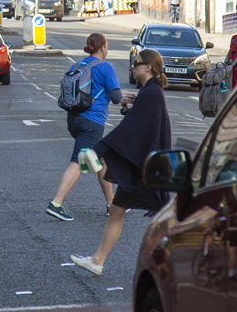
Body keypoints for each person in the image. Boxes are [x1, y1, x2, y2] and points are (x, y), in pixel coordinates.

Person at [69, 49, 171, 276]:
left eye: (137, 63)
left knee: (163, 219)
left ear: (149, 67)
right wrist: (127, 110)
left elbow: (130, 131)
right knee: (118, 210)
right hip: (145, 165)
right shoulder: (148, 91)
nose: (133, 67)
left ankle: (174, 264)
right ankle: (97, 260)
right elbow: (138, 127)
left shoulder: (152, 93)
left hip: (146, 167)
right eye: (134, 63)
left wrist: (98, 149)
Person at [46, 33, 119, 221]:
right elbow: (117, 98)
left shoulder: (76, 65)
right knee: (78, 161)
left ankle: (112, 205)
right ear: (103, 47)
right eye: (107, 45)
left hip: (74, 120)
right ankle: (56, 203)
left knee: (101, 160)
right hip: (92, 123)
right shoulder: (105, 67)